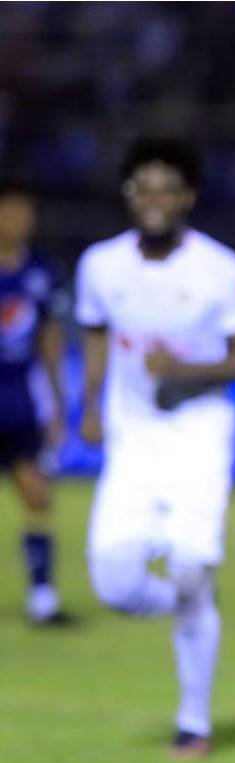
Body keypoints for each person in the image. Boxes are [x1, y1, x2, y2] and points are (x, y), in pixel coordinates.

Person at [75, 139, 235, 760]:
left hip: (197, 440)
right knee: (114, 587)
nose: (154, 199)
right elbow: (97, 334)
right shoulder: (100, 265)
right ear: (129, 194)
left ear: (187, 197)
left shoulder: (220, 269)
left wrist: (186, 369)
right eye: (143, 187)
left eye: (167, 188)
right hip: (133, 442)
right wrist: (90, 404)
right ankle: (191, 602)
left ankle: (193, 721)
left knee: (189, 566)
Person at [0, 177, 70, 624]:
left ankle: (42, 597)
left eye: (25, 212)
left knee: (37, 494)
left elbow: (49, 340)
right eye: (9, 211)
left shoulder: (41, 272)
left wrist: (59, 405)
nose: (18, 220)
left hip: (19, 402)